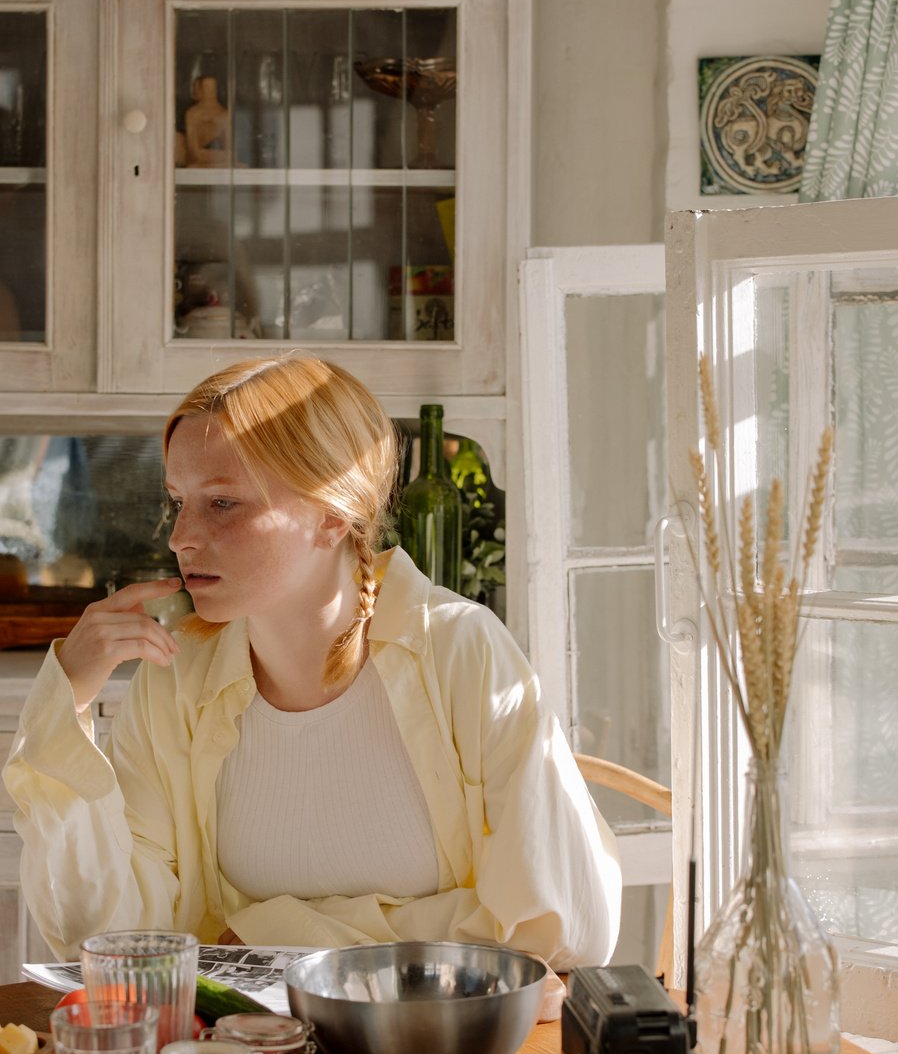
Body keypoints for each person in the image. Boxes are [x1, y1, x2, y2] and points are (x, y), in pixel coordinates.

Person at [3, 355, 621, 968]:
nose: (179, 536)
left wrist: (272, 933)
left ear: (332, 516)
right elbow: (111, 940)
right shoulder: (178, 676)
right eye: (177, 500)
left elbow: (567, 920)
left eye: (222, 503)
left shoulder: (461, 649)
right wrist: (68, 704)